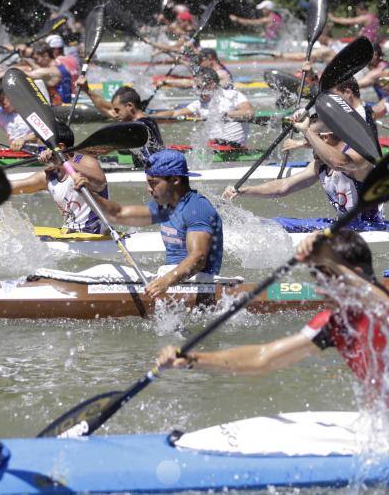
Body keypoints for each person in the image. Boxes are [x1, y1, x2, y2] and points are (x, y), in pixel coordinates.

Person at [157, 230, 389, 401]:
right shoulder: (334, 323)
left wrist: (329, 258)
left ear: (355, 275)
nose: (320, 290)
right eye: (318, 281)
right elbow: (263, 357)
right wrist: (192, 360)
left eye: (327, 280)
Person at [74, 149, 224, 297]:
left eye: (153, 183)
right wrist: (89, 194)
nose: (148, 189)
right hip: (171, 279)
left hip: (196, 284)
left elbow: (198, 258)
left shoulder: (197, 208)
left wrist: (165, 282)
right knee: (106, 269)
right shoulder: (164, 207)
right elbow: (117, 214)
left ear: (175, 180)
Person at [223, 108, 383, 232]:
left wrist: (307, 131)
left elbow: (338, 162)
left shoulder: (360, 158)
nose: (306, 144)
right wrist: (244, 191)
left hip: (368, 227)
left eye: (309, 140)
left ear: (325, 138)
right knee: (276, 223)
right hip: (342, 226)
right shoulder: (320, 164)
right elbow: (283, 187)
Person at [10, 121, 109, 235]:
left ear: (60, 147)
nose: (41, 153)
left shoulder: (86, 161)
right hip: (69, 233)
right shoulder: (50, 175)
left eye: (44, 148)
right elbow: (15, 187)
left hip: (94, 236)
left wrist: (62, 163)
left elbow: (100, 182)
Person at [150, 68, 254, 147]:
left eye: (199, 87)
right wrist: (147, 118)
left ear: (211, 84)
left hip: (233, 147)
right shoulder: (199, 104)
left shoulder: (233, 95)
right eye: (196, 87)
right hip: (212, 146)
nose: (196, 90)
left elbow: (248, 112)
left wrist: (225, 114)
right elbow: (174, 114)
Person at [74, 80, 164, 165]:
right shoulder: (149, 121)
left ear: (129, 106)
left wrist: (74, 156)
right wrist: (86, 89)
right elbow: (107, 109)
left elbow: (99, 150)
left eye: (117, 110)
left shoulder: (135, 128)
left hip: (152, 173)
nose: (115, 115)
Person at [155, 48, 233, 89]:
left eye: (200, 59)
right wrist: (181, 61)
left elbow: (191, 83)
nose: (198, 62)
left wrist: (166, 82)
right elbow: (192, 68)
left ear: (209, 58)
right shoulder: (215, 70)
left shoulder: (220, 74)